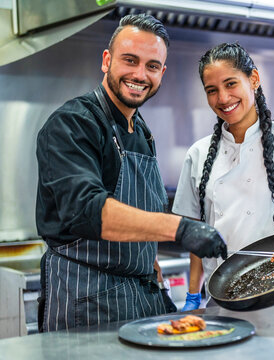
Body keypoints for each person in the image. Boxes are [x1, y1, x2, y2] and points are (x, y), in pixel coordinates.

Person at [35, 14, 227, 332]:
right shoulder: (73, 124)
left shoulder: (142, 132)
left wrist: (156, 277)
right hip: (85, 298)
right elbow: (87, 210)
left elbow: (141, 218)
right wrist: (180, 228)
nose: (140, 74)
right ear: (107, 60)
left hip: (140, 296)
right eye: (130, 60)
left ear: (162, 73)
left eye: (152, 66)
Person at [172, 42, 274, 331]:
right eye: (212, 90)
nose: (223, 98)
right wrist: (192, 293)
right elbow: (194, 233)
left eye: (230, 84)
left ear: (254, 79)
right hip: (220, 301)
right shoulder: (198, 154)